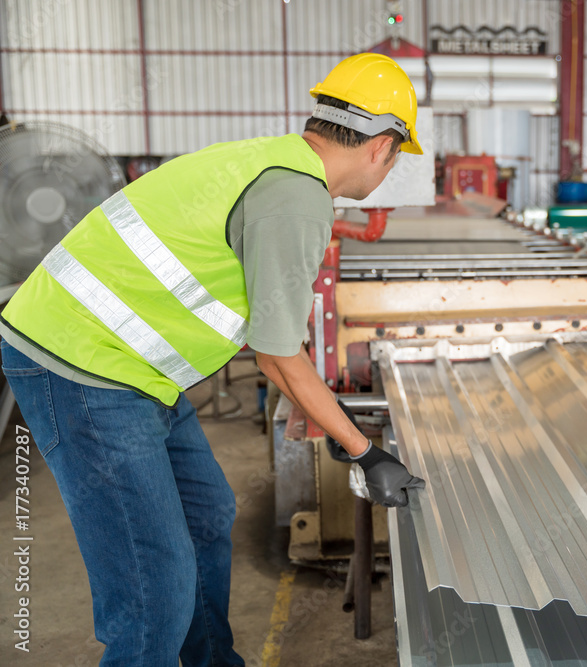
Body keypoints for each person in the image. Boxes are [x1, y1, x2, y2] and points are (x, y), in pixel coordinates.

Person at [0, 53, 425, 666]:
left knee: (206, 515)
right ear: (383, 146)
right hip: (82, 366)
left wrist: (328, 419)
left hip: (136, 369)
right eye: (396, 159)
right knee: (154, 588)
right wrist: (363, 450)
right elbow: (277, 358)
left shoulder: (271, 161)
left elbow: (274, 332)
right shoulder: (297, 197)